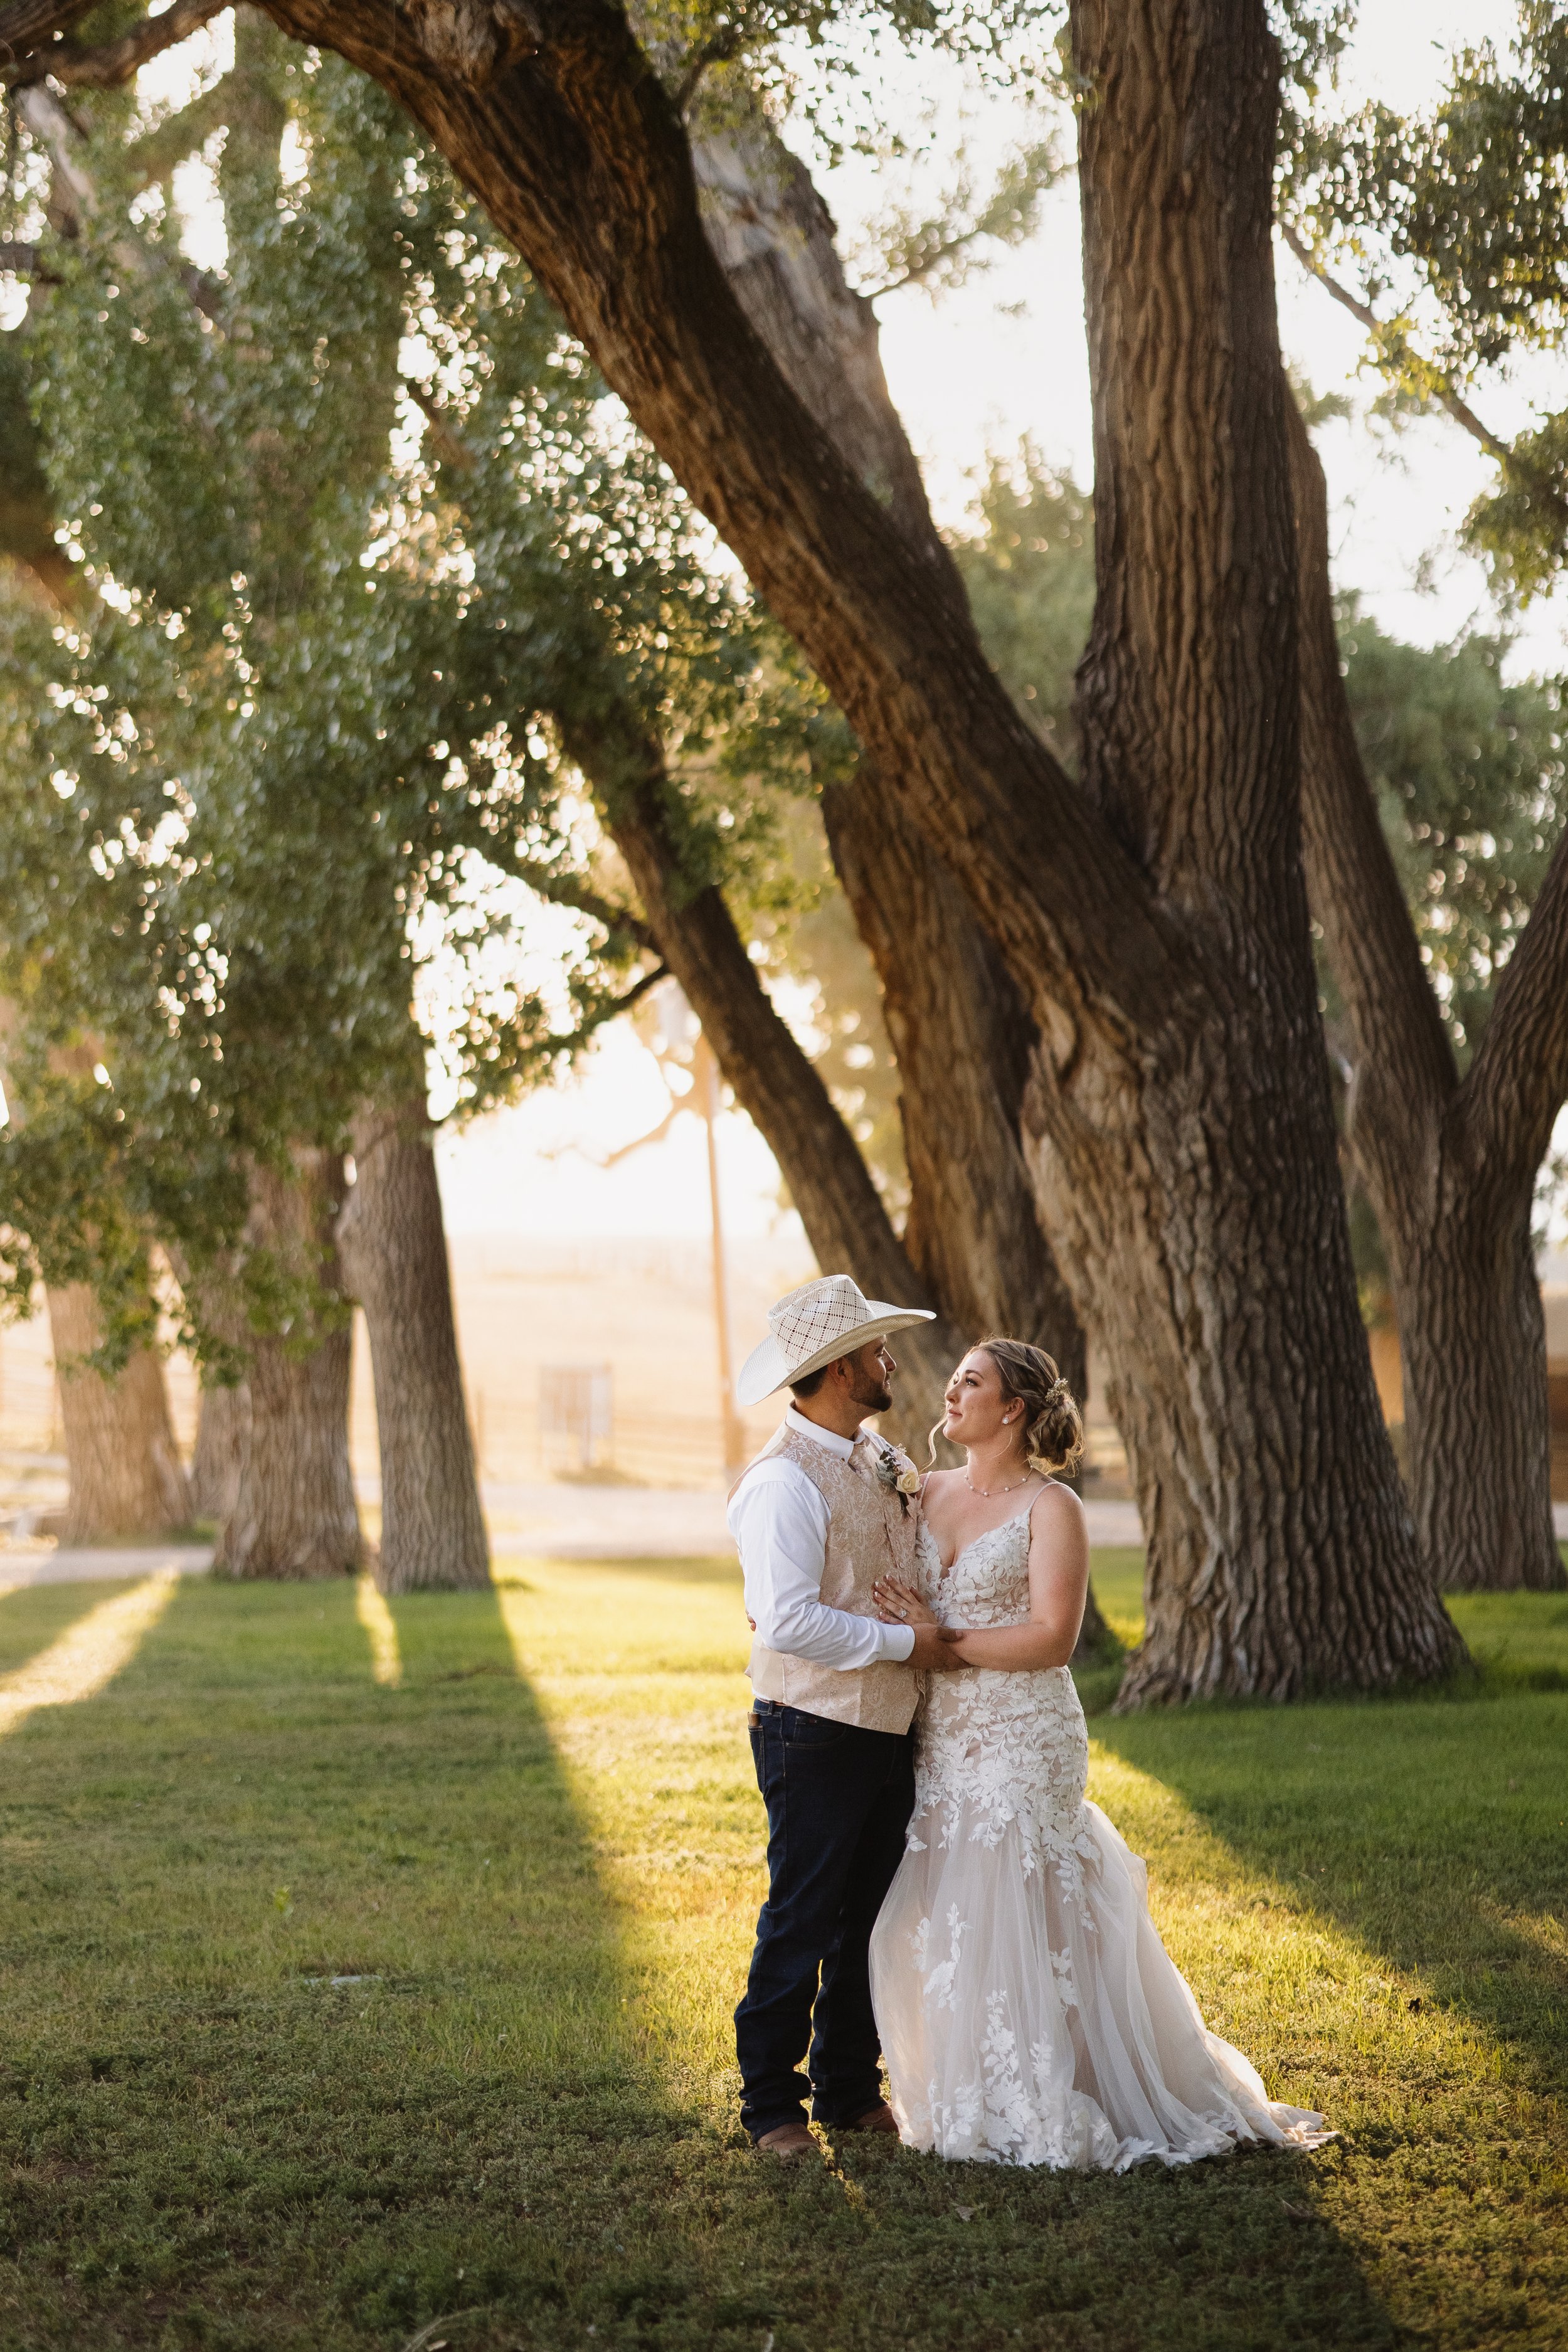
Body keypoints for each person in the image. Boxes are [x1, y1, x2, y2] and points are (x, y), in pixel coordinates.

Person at [867, 1338, 1332, 2169]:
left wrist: (941, 1642)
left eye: (972, 1380)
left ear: (1011, 1408)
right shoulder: (921, 1491)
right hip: (941, 1734)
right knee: (955, 1899)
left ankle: (1065, 2085)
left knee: (1020, 1894)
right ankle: (968, 2079)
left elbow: (1052, 1637)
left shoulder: (1053, 1509)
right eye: (956, 1377)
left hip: (1024, 1732)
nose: (952, 1389)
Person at [728, 1273, 965, 2161]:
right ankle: (769, 2105)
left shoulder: (872, 1455)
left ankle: (847, 2086)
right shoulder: (782, 1482)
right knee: (803, 1909)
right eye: (874, 1349)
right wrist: (906, 1642)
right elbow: (786, 1619)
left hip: (886, 1727)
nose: (889, 1359)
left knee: (869, 1911)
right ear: (835, 1369)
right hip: (812, 1727)